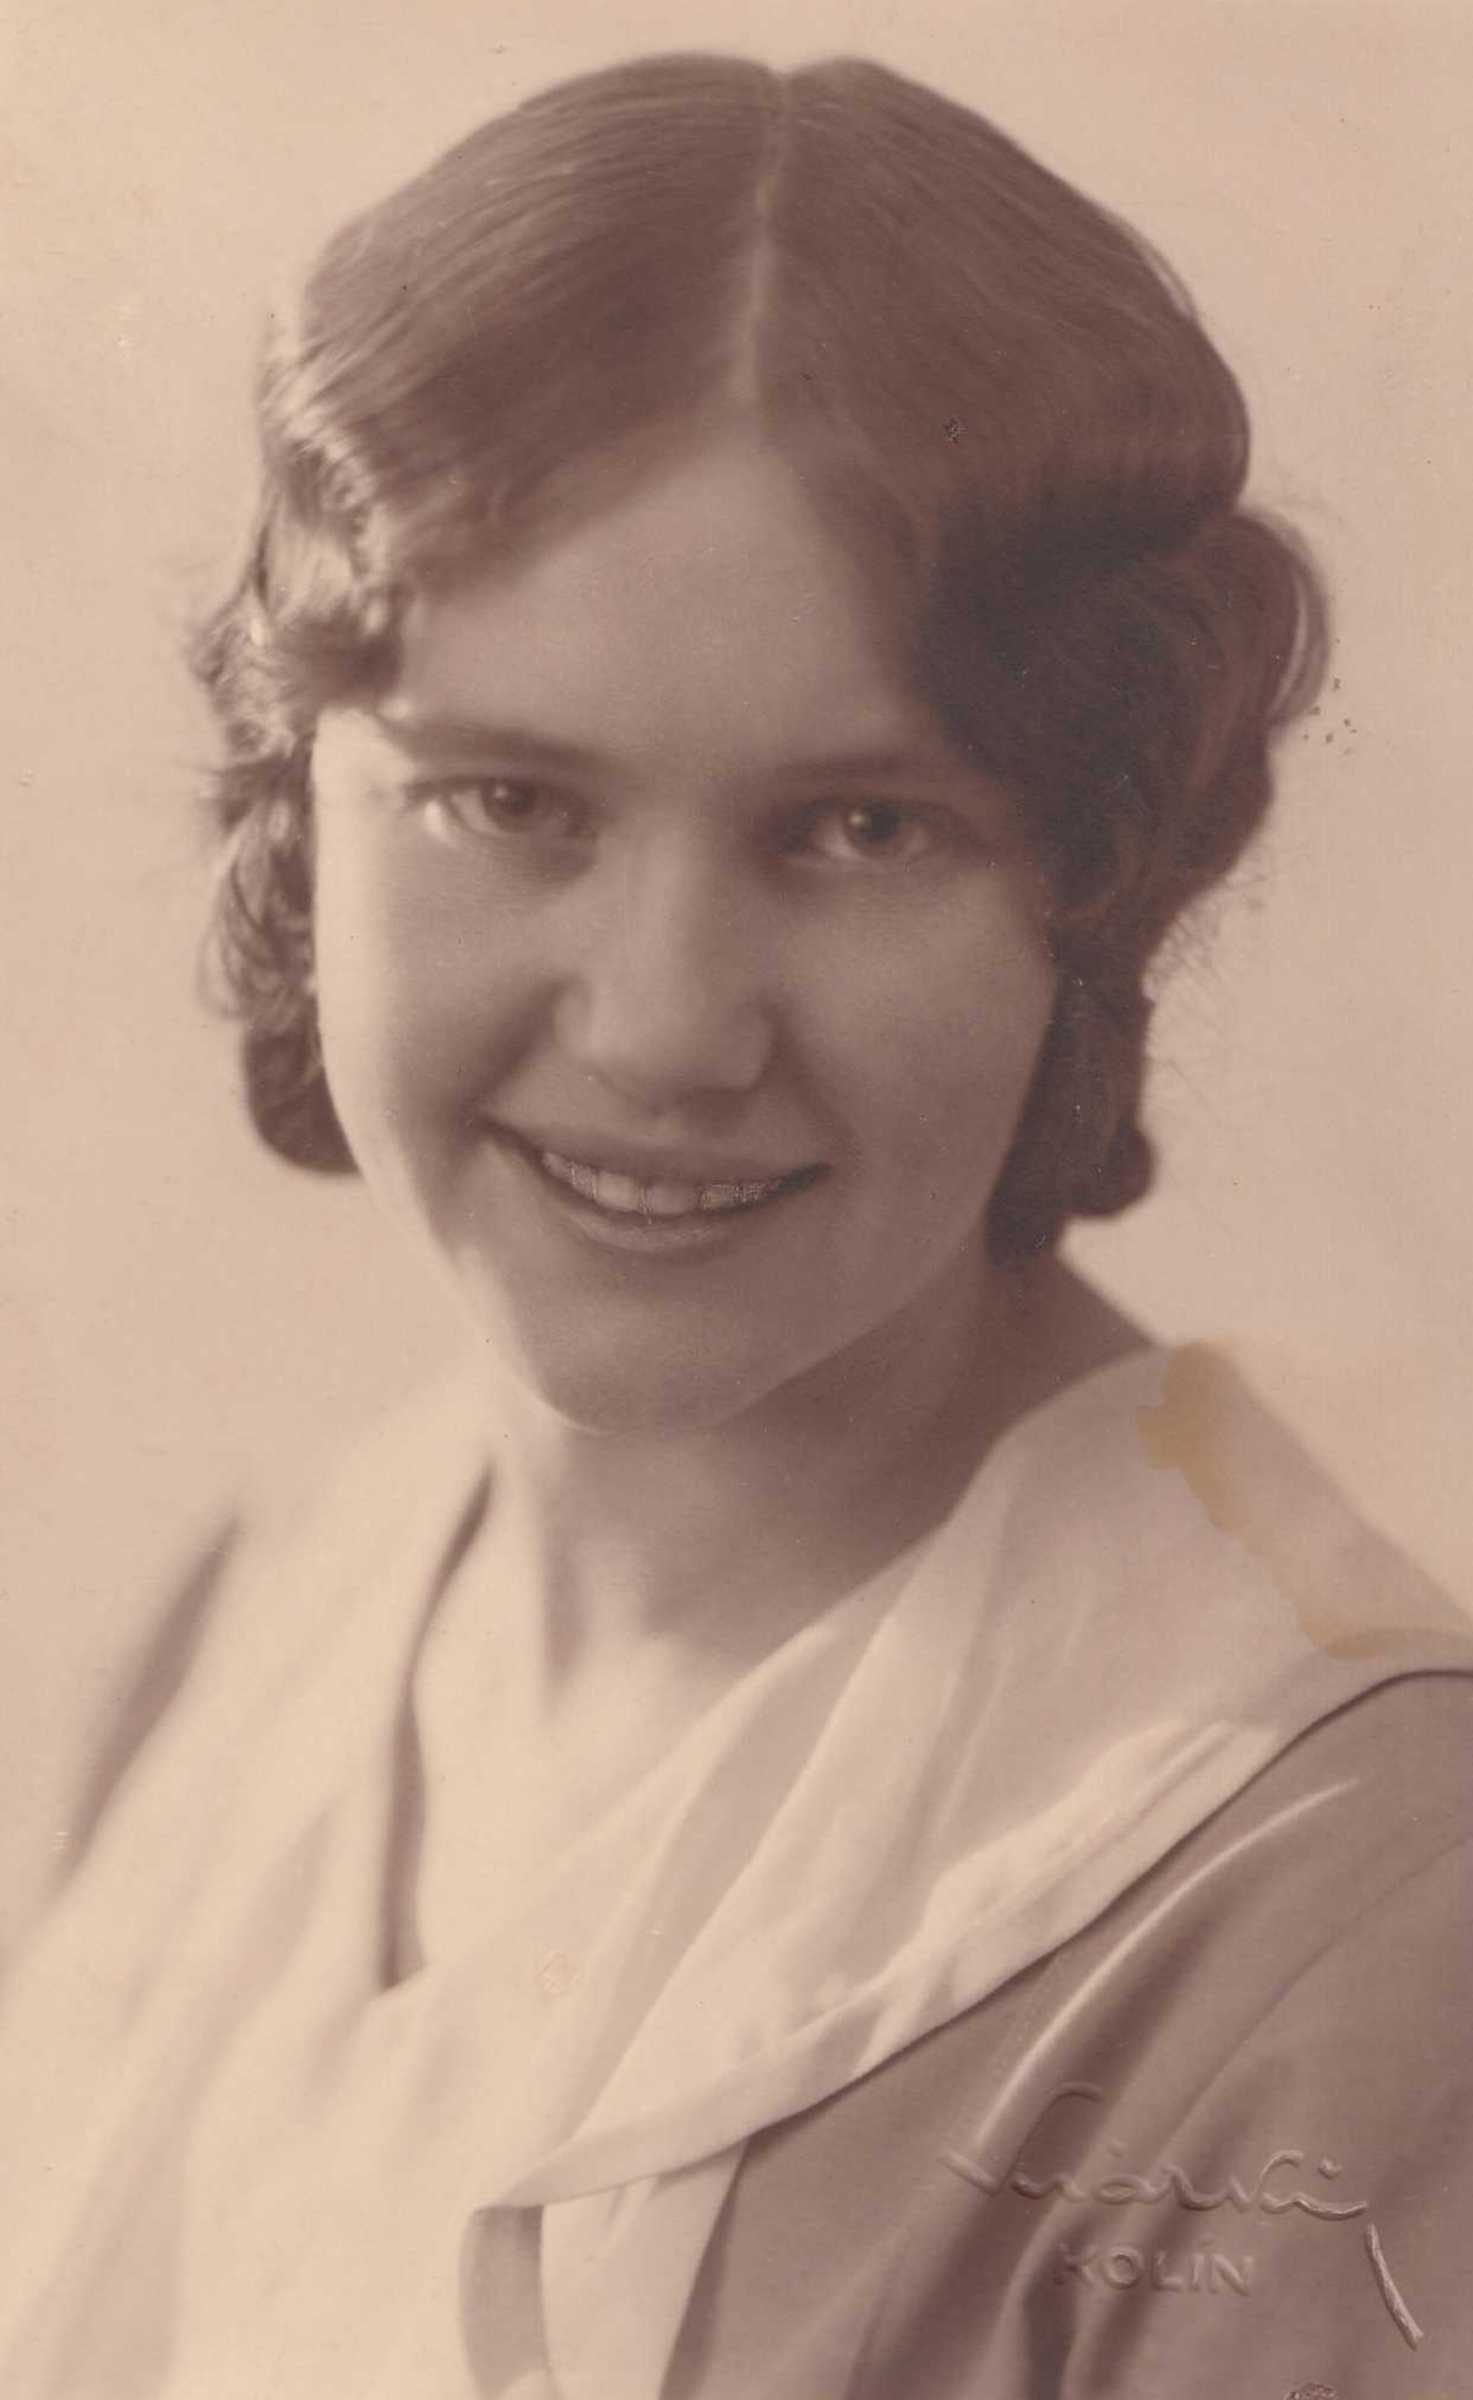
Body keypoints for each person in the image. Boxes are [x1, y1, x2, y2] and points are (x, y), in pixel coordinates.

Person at [0, 51, 1468, 2400]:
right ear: (297, 802)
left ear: (1089, 878)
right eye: (508, 800)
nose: (667, 1027)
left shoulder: (1344, 1928)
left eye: (861, 828)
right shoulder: (239, 1643)